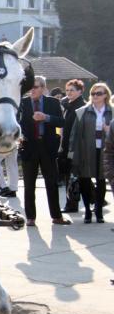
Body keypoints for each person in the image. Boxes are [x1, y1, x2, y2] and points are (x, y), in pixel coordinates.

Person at [19, 75, 69, 226]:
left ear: (43, 88)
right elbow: (16, 123)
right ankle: (30, 217)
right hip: (29, 147)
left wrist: (46, 117)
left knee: (52, 183)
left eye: (35, 87)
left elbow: (62, 122)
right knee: (29, 185)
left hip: (47, 147)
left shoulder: (53, 102)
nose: (31, 90)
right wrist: (19, 136)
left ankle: (56, 216)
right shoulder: (22, 103)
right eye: (30, 87)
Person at [69, 82, 112, 224]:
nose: (95, 96)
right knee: (85, 181)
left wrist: (109, 131)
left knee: (101, 181)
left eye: (98, 93)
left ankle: (99, 211)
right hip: (85, 150)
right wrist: (72, 153)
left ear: (106, 95)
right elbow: (74, 134)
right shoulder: (82, 111)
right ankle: (87, 210)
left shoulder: (111, 111)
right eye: (93, 93)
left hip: (105, 151)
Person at [59, 79, 87, 213]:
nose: (69, 92)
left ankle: (72, 204)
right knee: (71, 176)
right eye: (67, 90)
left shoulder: (81, 107)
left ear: (80, 91)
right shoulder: (68, 105)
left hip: (75, 147)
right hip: (66, 145)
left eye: (72, 90)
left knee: (73, 177)